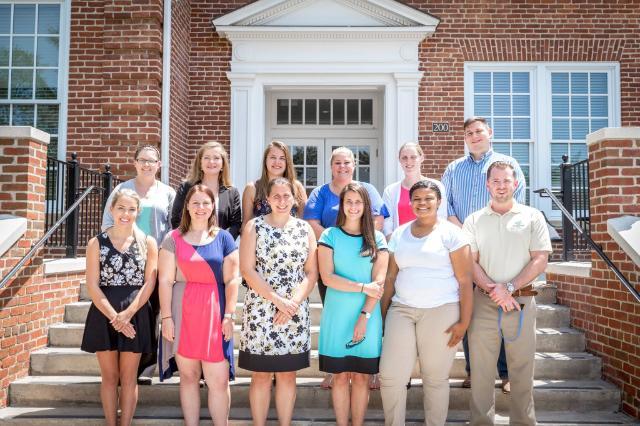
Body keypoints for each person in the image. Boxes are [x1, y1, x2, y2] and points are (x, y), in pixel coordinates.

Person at [441, 116, 526, 392]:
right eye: (469, 133)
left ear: (489, 132)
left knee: (501, 306)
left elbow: (517, 202)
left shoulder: (508, 165)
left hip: (500, 245)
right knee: (471, 309)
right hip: (463, 248)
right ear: (464, 137)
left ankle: (506, 374)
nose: (474, 136)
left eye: (479, 131)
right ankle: (474, 372)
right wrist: (465, 234)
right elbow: (446, 207)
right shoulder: (454, 169)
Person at [462, 161, 551, 425]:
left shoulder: (532, 216)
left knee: (522, 370)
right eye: (496, 181)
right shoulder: (474, 220)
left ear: (515, 184)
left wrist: (509, 288)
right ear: (488, 184)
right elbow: (470, 261)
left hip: (521, 300)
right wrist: (494, 289)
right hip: (483, 301)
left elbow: (540, 259)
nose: (501, 186)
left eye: (506, 181)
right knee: (481, 371)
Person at [379, 180, 473, 426]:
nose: (422, 203)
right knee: (390, 375)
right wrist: (381, 314)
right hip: (402, 309)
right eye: (417, 199)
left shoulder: (452, 234)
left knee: (435, 377)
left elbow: (465, 281)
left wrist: (464, 322)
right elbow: (390, 277)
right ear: (410, 203)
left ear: (439, 202)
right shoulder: (399, 234)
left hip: (442, 310)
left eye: (428, 198)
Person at [304, 146, 388, 389]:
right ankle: (334, 369)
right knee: (338, 313)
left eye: (347, 162)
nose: (342, 167)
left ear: (354, 165)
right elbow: (311, 222)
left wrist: (357, 240)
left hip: (363, 255)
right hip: (331, 258)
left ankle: (369, 369)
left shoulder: (368, 189)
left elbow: (379, 219)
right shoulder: (321, 192)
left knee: (367, 313)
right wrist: (334, 243)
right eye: (337, 163)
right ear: (331, 166)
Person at [158, 185, 241, 426]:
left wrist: (229, 315)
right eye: (195, 203)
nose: (200, 208)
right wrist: (166, 318)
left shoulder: (224, 237)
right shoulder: (172, 238)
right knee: (189, 376)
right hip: (183, 310)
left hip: (215, 310)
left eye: (205, 203)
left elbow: (233, 279)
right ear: (187, 206)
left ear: (213, 206)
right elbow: (164, 280)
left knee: (219, 379)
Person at [239, 177, 318, 426]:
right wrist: (277, 301)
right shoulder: (254, 227)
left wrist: (291, 304)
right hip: (262, 311)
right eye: (276, 196)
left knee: (287, 375)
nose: (282, 201)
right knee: (261, 375)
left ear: (294, 199)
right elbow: (247, 270)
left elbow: (311, 273)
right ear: (267, 200)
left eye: (287, 196)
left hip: (294, 311)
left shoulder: (304, 229)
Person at [82, 189, 158, 426]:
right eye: (121, 208)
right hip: (104, 314)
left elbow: (150, 283)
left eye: (131, 209)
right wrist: (115, 317)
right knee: (109, 377)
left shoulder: (147, 242)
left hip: (136, 314)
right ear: (111, 210)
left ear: (138, 212)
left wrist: (127, 315)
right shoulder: (96, 243)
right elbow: (92, 285)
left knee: (128, 378)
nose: (126, 214)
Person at [101, 145, 175, 381]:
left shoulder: (167, 193)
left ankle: (146, 366)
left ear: (159, 165)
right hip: (126, 261)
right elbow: (106, 224)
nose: (146, 165)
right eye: (142, 160)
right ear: (134, 163)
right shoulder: (122, 189)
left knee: (152, 313)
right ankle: (123, 364)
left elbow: (174, 231)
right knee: (130, 310)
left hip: (157, 259)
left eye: (151, 161)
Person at [317, 182, 388, 426]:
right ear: (342, 205)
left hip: (367, 316)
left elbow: (378, 282)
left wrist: (364, 316)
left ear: (366, 206)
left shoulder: (377, 238)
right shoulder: (330, 235)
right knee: (338, 377)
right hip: (337, 316)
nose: (354, 206)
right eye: (349, 202)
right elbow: (327, 277)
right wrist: (360, 286)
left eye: (358, 202)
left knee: (361, 378)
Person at [171, 141, 241, 239]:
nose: (211, 162)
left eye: (216, 158)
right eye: (206, 158)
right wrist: (190, 240)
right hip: (190, 246)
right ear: (200, 162)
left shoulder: (232, 192)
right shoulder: (186, 188)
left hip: (221, 249)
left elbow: (236, 224)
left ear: (223, 163)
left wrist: (221, 241)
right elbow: (177, 219)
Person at [382, 142, 447, 238]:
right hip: (401, 247)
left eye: (413, 157)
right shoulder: (390, 191)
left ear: (422, 158)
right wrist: (394, 248)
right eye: (404, 158)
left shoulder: (436, 186)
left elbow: (442, 218)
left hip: (430, 245)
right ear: (399, 160)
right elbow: (387, 225)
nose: (408, 162)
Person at [241, 140, 307, 230]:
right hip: (260, 242)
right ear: (265, 160)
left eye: (282, 158)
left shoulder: (297, 187)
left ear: (287, 162)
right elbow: (246, 224)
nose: (277, 162)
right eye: (273, 157)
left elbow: (304, 222)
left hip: (291, 241)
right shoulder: (252, 188)